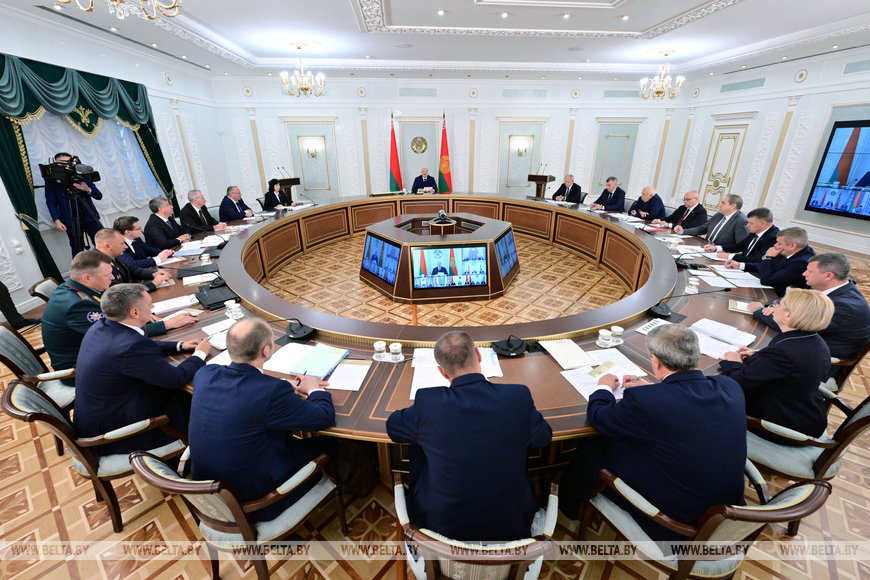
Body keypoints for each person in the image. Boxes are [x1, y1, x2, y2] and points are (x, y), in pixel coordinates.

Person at [559, 324, 746, 541]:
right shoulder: (729, 386)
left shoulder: (648, 402)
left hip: (678, 525)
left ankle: (567, 504)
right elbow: (683, 406)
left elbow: (599, 417)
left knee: (593, 447)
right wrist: (653, 391)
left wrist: (604, 387)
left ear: (656, 361)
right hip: (729, 515)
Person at [387, 331, 552, 541]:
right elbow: (543, 437)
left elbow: (393, 427)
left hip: (440, 529)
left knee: (419, 442)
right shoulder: (517, 397)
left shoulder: (429, 403)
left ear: (442, 372)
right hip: (511, 525)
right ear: (479, 355)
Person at [189, 318, 334, 522]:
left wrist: (282, 384)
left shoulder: (205, 373)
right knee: (330, 444)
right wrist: (314, 388)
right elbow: (324, 417)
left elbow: (242, 389)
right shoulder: (271, 392)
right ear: (266, 351)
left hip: (208, 492)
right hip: (255, 501)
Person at [73, 284, 210, 456]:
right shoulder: (130, 347)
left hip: (101, 413)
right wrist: (200, 355)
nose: (152, 307)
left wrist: (179, 345)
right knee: (204, 405)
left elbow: (143, 346)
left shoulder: (103, 325)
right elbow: (176, 379)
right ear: (135, 312)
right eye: (149, 304)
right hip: (117, 433)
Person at [41, 251, 194, 373]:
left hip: (98, 353)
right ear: (87, 277)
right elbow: (116, 335)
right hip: (81, 368)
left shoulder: (78, 288)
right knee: (163, 368)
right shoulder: (77, 305)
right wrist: (165, 325)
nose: (112, 277)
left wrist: (143, 313)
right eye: (107, 275)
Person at [720, 288, 834, 439]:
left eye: (779, 304)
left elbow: (738, 382)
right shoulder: (814, 340)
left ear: (788, 315)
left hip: (782, 425)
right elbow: (788, 367)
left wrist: (733, 361)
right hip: (802, 409)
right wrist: (759, 355)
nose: (773, 307)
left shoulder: (784, 352)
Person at [748, 253, 870, 366]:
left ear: (828, 276)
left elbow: (795, 325)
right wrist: (775, 305)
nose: (804, 274)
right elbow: (795, 298)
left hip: (818, 361)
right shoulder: (828, 287)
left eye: (810, 271)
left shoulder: (845, 307)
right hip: (804, 344)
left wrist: (758, 311)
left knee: (752, 361)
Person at [44, 152, 104, 256]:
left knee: (102, 244)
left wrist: (87, 189)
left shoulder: (81, 174)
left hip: (90, 216)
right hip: (70, 219)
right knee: (77, 250)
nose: (67, 165)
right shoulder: (51, 179)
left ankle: (111, 265)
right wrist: (57, 220)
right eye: (63, 162)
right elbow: (51, 202)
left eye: (69, 162)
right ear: (57, 163)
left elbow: (98, 195)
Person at [726, 227, 814, 296]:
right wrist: (740, 265)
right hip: (770, 292)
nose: (775, 245)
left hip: (782, 299)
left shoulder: (802, 263)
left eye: (779, 243)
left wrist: (768, 257)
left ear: (792, 246)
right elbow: (767, 266)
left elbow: (767, 280)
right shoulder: (788, 250)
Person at [93, 229, 172, 292]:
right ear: (107, 246)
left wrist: (153, 274)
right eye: (121, 244)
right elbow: (118, 290)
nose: (126, 247)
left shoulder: (109, 255)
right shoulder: (96, 264)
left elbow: (130, 270)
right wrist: (153, 284)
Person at [706, 207, 778, 263]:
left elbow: (757, 259)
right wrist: (717, 248)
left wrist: (730, 256)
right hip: (740, 266)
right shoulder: (756, 231)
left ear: (762, 224)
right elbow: (740, 246)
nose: (747, 225)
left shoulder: (774, 237)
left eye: (751, 223)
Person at [676, 193, 748, 247]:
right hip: (705, 247)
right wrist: (683, 231)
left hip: (720, 254)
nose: (720, 205)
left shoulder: (741, 221)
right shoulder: (718, 215)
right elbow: (702, 229)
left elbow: (740, 245)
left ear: (733, 206)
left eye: (723, 203)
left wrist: (719, 248)